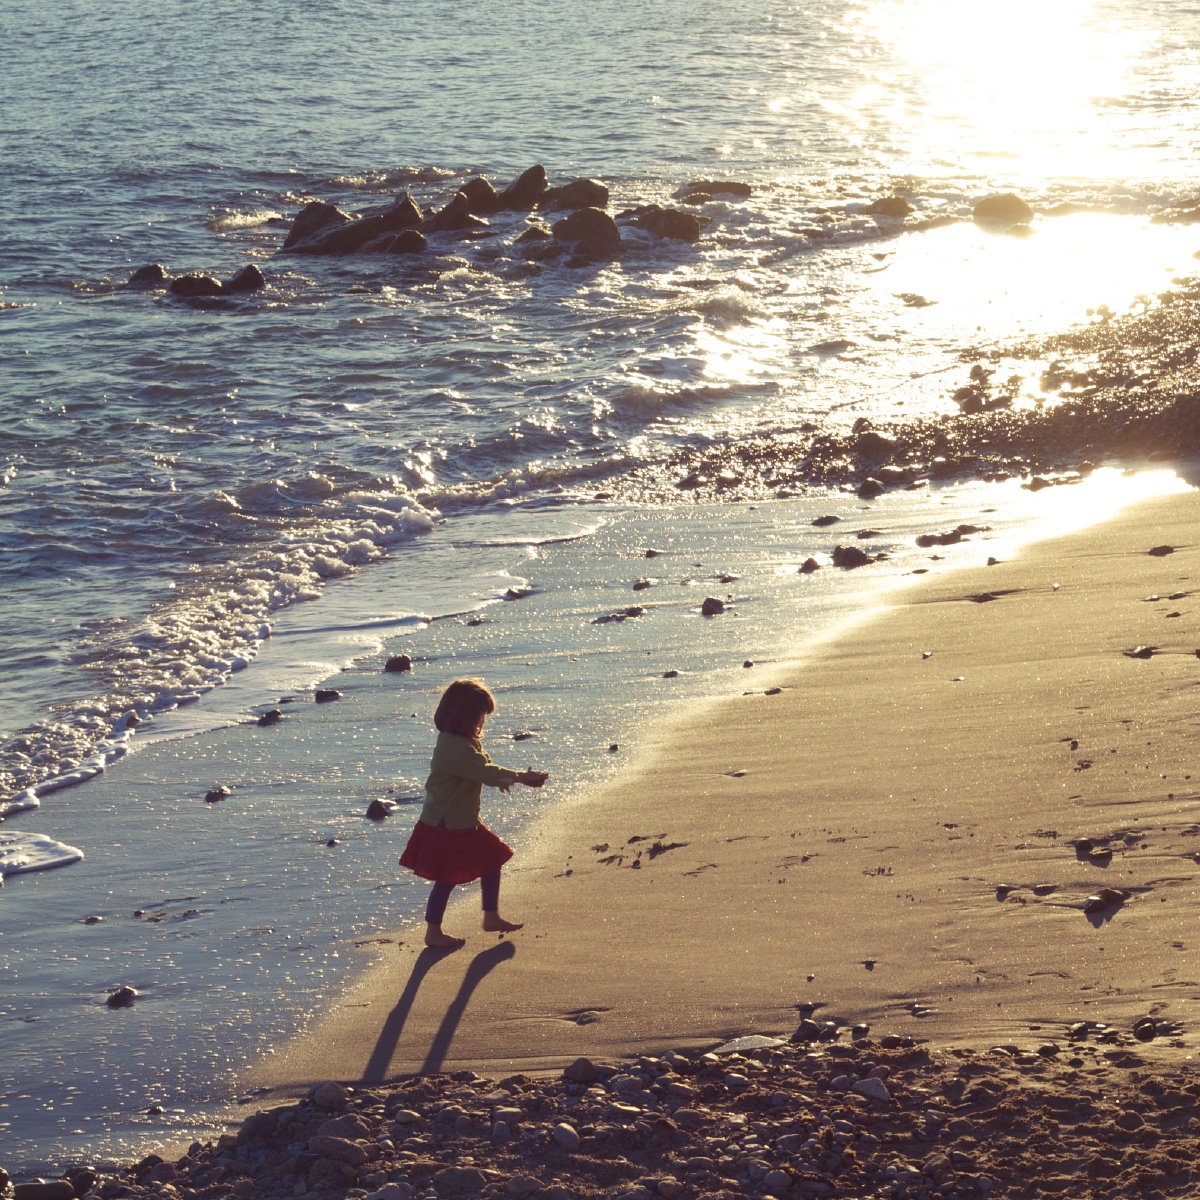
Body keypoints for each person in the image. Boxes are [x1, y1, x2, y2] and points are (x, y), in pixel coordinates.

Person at [399, 678, 547, 948]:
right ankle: (434, 932)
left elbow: (483, 767)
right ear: (465, 715)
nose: (482, 721)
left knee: (492, 858)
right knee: (446, 878)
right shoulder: (454, 747)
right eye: (480, 715)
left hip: (461, 818)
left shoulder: (462, 742)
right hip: (446, 822)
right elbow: (484, 771)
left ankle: (490, 917)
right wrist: (520, 777)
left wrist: (516, 778)